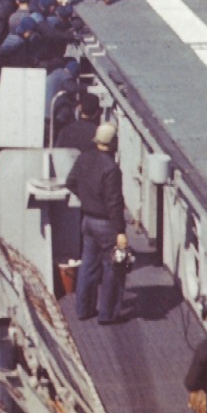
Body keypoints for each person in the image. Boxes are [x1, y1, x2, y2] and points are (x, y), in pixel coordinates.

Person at [65, 122, 128, 325]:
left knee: (88, 266)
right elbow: (114, 202)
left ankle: (83, 310)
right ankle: (107, 315)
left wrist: (87, 198)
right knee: (113, 269)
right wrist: (120, 231)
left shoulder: (84, 157)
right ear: (114, 142)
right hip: (106, 224)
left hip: (87, 221)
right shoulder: (111, 169)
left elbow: (70, 182)